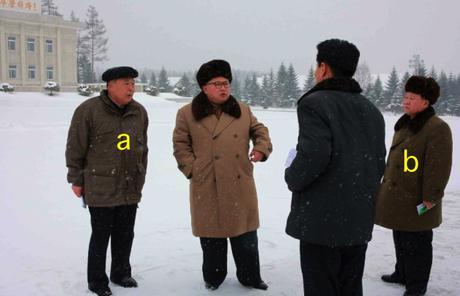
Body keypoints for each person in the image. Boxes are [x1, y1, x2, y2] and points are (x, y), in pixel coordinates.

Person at [284, 39, 386, 296]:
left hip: (322, 221)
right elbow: (378, 162)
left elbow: (314, 154)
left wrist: (292, 177)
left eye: (317, 65)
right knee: (350, 286)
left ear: (324, 68)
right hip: (358, 219)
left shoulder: (315, 103)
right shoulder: (371, 110)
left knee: (321, 287)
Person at [172, 59, 272, 291]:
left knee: (246, 238)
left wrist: (260, 148)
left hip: (239, 183)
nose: (223, 87)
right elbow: (180, 145)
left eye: (226, 82)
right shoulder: (187, 113)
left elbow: (260, 131)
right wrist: (193, 169)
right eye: (216, 83)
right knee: (212, 239)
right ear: (204, 87)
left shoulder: (242, 109)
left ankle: (250, 277)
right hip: (207, 184)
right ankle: (213, 278)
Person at [65, 66, 149, 296]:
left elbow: (143, 149)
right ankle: (97, 281)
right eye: (125, 82)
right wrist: (76, 178)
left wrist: (140, 175)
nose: (131, 87)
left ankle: (121, 273)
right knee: (101, 236)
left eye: (132, 83)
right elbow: (75, 146)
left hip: (130, 185)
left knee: (125, 233)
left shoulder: (139, 112)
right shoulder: (88, 110)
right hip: (100, 184)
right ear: (110, 85)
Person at [375, 76, 452, 296]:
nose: (405, 101)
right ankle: (402, 272)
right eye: (405, 96)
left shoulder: (436, 127)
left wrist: (430, 198)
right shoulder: (407, 122)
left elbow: (438, 167)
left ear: (426, 102)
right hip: (399, 196)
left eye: (412, 97)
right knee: (400, 236)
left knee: (417, 242)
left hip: (418, 198)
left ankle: (417, 285)